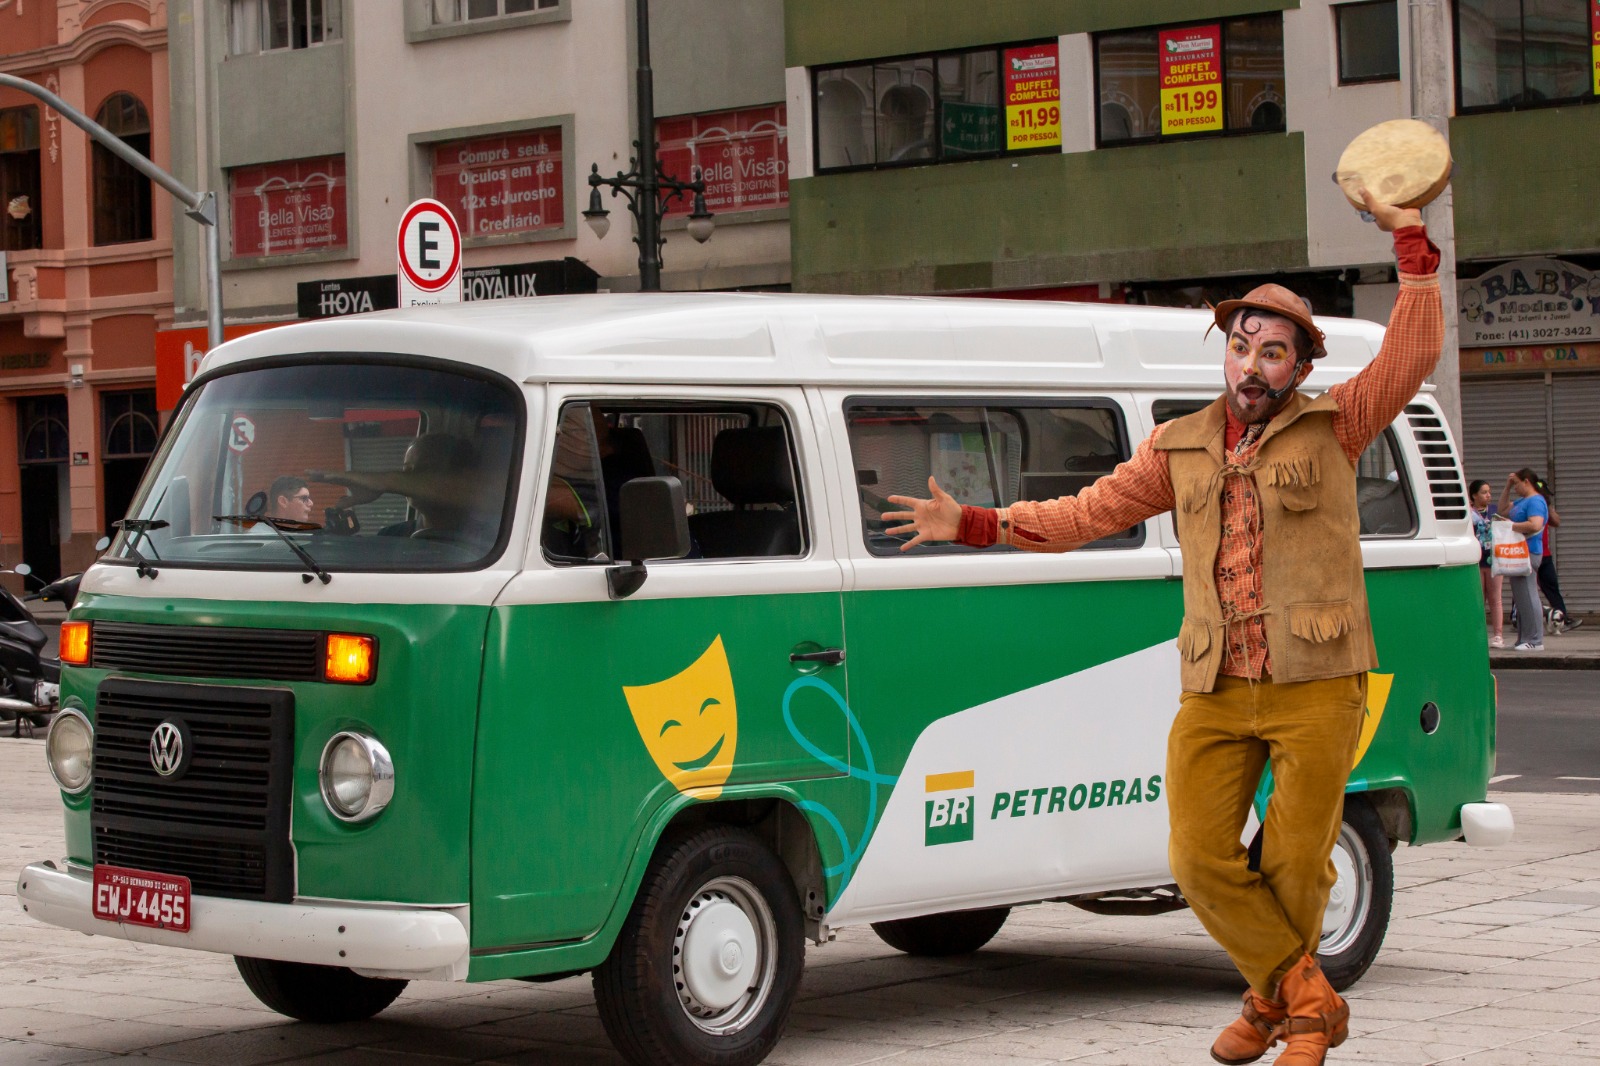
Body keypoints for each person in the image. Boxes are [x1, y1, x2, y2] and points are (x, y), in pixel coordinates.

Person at [883, 188, 1442, 1066]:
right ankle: (1306, 997)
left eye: (1273, 353)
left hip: (1317, 681)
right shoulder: (1178, 445)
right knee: (1196, 856)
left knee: (1297, 862)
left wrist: (1409, 240)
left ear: (1299, 367)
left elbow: (1412, 353)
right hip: (1216, 684)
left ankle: (1280, 1012)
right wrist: (979, 523)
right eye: (1241, 348)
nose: (1251, 367)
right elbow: (1086, 513)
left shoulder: (1339, 425)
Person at [1499, 468, 1548, 651]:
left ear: (1527, 481)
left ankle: (1535, 640)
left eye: (1517, 484)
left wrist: (1511, 526)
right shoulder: (1522, 501)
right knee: (1521, 598)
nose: (1516, 487)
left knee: (1528, 594)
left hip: (1529, 552)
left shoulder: (1535, 501)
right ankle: (1524, 638)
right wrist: (1507, 487)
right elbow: (1503, 510)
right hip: (1518, 553)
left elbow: (1535, 524)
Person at [1531, 475, 1581, 633]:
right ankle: (1519, 618)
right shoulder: (1529, 505)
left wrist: (1547, 504)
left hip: (1544, 554)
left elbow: (1556, 521)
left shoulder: (1543, 506)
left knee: (1552, 586)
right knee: (1526, 586)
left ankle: (1563, 618)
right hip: (1531, 553)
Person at [1469, 480, 1504, 647]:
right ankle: (1478, 634)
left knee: (1495, 598)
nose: (1488, 495)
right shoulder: (1468, 513)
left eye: (1489, 492)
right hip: (1476, 559)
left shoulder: (1495, 511)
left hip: (1493, 560)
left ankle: (1498, 635)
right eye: (1484, 492)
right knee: (1479, 598)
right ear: (1474, 495)